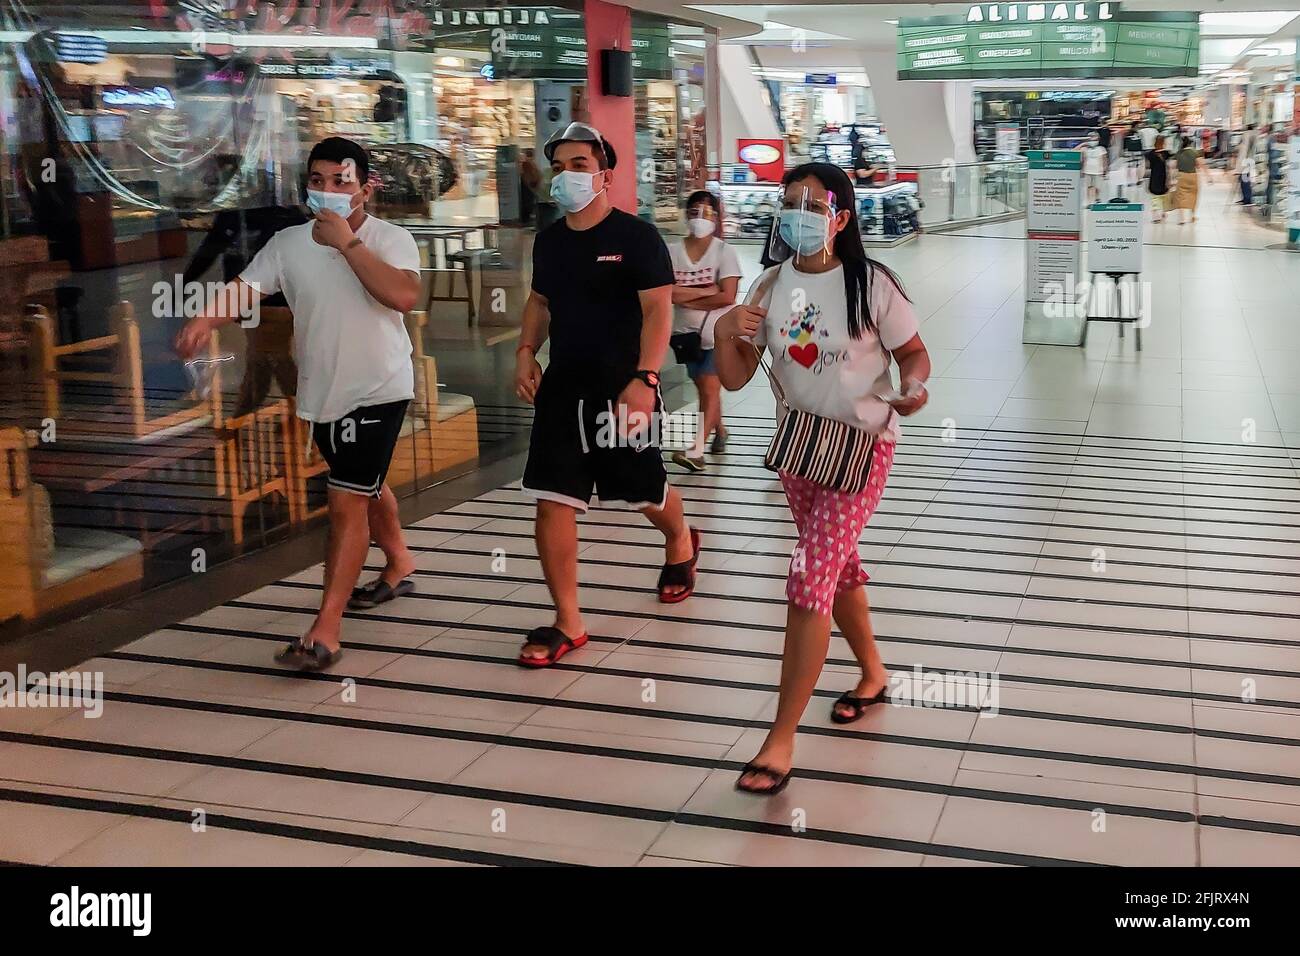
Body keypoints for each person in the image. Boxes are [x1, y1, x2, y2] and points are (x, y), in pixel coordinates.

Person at [713, 162, 932, 795]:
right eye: (789, 203)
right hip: (802, 447)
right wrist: (728, 330)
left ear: (840, 216)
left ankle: (779, 740)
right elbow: (732, 377)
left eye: (812, 204)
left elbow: (913, 351)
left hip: (863, 447)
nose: (798, 214)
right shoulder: (767, 286)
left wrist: (913, 385)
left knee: (809, 575)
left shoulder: (872, 283)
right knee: (836, 565)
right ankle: (872, 674)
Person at [176, 136, 422, 670]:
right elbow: (247, 287)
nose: (329, 191)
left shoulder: (392, 238)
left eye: (342, 181)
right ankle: (399, 562)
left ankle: (326, 631)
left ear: (366, 188)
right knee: (365, 484)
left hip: (381, 387)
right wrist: (205, 319)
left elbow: (403, 297)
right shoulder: (289, 243)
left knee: (345, 501)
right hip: (323, 392)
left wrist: (348, 245)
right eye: (318, 181)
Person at [514, 121, 698, 668]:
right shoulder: (548, 242)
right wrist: (526, 351)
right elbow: (540, 302)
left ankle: (682, 540)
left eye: (579, 165)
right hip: (563, 386)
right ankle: (568, 620)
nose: (567, 175)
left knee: (641, 489)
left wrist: (645, 380)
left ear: (604, 176)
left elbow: (658, 310)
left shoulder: (635, 238)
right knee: (552, 498)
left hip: (623, 388)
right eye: (560, 165)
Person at [667, 190, 741, 472]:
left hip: (717, 335)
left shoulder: (724, 252)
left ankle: (696, 450)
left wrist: (683, 293)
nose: (701, 217)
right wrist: (707, 289)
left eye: (707, 212)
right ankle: (720, 429)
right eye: (695, 211)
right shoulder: (672, 252)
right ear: (687, 215)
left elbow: (728, 296)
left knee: (709, 388)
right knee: (704, 389)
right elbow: (666, 293)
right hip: (685, 336)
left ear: (717, 217)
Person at [1171, 137, 1204, 224]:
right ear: (1190, 144)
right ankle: (1192, 216)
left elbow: (1173, 166)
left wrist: (1172, 178)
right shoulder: (1195, 152)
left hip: (1181, 176)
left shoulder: (1178, 153)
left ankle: (1182, 219)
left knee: (1181, 196)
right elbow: (1200, 165)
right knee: (1193, 195)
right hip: (1193, 176)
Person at [1145, 136, 1171, 223]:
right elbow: (1169, 166)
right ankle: (1163, 213)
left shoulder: (1150, 154)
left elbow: (1147, 167)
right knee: (1164, 197)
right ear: (1163, 143)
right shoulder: (1166, 154)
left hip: (1154, 177)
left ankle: (1156, 217)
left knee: (1155, 198)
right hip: (1163, 177)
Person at [1081, 131, 1108, 203]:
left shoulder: (1101, 149)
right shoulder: (1085, 149)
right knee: (1088, 186)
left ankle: (1097, 199)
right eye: (1091, 139)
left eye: (1095, 139)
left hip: (1098, 171)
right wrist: (1083, 144)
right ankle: (1089, 201)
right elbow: (1083, 158)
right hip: (1087, 170)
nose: (1093, 141)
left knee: (1097, 186)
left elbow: (1104, 160)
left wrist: (1105, 169)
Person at [518, 147, 542, 225]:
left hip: (528, 185)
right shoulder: (530, 163)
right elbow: (535, 175)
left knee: (527, 203)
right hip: (529, 185)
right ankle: (526, 219)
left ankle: (526, 219)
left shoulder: (527, 163)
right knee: (528, 203)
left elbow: (527, 175)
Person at [1236, 124, 1257, 204]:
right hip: (1246, 162)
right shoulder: (1250, 136)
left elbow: (1245, 151)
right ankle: (1245, 198)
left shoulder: (1248, 136)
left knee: (1245, 181)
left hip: (1246, 163)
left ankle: (1247, 199)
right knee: (1244, 181)